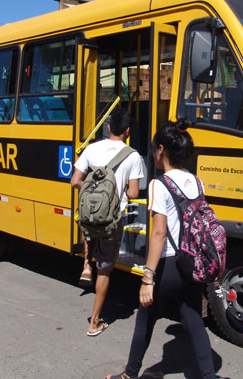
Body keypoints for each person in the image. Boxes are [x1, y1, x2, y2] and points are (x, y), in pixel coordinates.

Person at [107, 118, 218, 379]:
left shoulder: (160, 184)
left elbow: (158, 233)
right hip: (190, 261)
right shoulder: (196, 181)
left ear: (161, 151)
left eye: (155, 148)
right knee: (192, 317)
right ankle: (209, 376)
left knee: (145, 320)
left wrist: (148, 278)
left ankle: (129, 374)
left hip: (168, 264)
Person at [71, 108, 144, 336]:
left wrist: (94, 191)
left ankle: (85, 266)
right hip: (112, 218)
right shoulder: (133, 156)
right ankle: (94, 322)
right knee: (104, 270)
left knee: (90, 231)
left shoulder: (91, 149)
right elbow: (132, 193)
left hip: (88, 213)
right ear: (128, 131)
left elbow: (75, 181)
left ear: (109, 127)